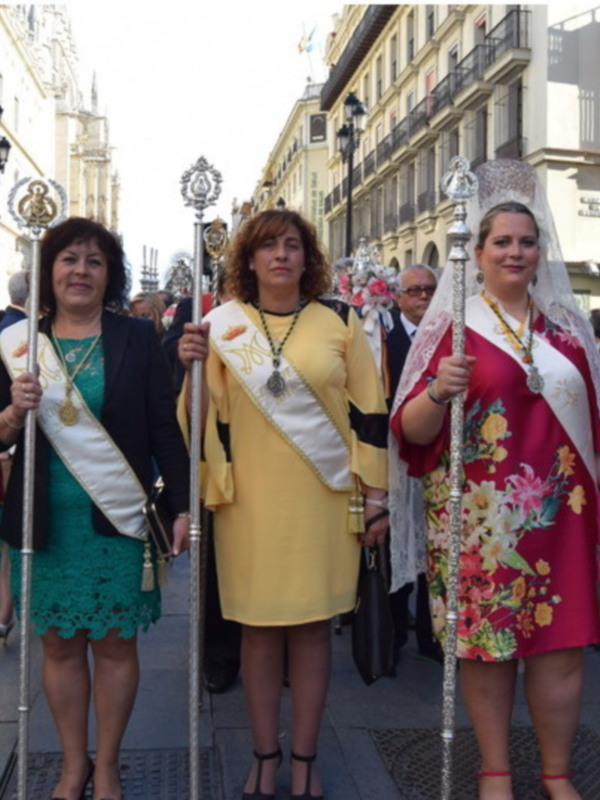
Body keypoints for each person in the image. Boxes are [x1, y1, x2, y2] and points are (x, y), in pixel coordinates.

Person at [389, 159, 600, 800]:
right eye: (501, 242)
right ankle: (495, 773)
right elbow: (410, 431)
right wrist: (438, 389)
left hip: (561, 515)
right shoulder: (453, 325)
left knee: (562, 648)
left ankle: (559, 773)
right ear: (476, 254)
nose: (515, 251)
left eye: (526, 241)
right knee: (488, 648)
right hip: (479, 519)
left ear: (541, 252)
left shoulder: (569, 332)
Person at [179, 208, 388, 800]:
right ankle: (265, 756)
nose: (281, 256)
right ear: (248, 259)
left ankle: (305, 759)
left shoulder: (340, 321)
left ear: (307, 257)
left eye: (292, 246)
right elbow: (201, 422)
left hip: (323, 499)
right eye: (268, 246)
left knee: (314, 632)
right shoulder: (222, 325)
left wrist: (376, 496)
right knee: (257, 634)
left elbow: (371, 414)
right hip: (248, 501)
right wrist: (191, 369)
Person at [0, 217, 190, 800]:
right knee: (57, 642)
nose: (80, 271)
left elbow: (164, 425)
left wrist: (182, 505)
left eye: (94, 261)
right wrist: (12, 413)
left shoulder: (134, 338)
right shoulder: (15, 344)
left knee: (114, 643)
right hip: (43, 522)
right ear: (48, 270)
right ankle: (70, 764)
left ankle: (106, 765)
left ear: (110, 275)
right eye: (68, 259)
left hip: (118, 519)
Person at [385, 264, 442, 666]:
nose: (423, 296)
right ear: (399, 297)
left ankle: (432, 635)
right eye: (415, 290)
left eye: (429, 289)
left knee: (433, 548)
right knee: (395, 543)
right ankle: (389, 638)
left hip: (435, 455)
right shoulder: (382, 341)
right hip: (392, 456)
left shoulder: (447, 338)